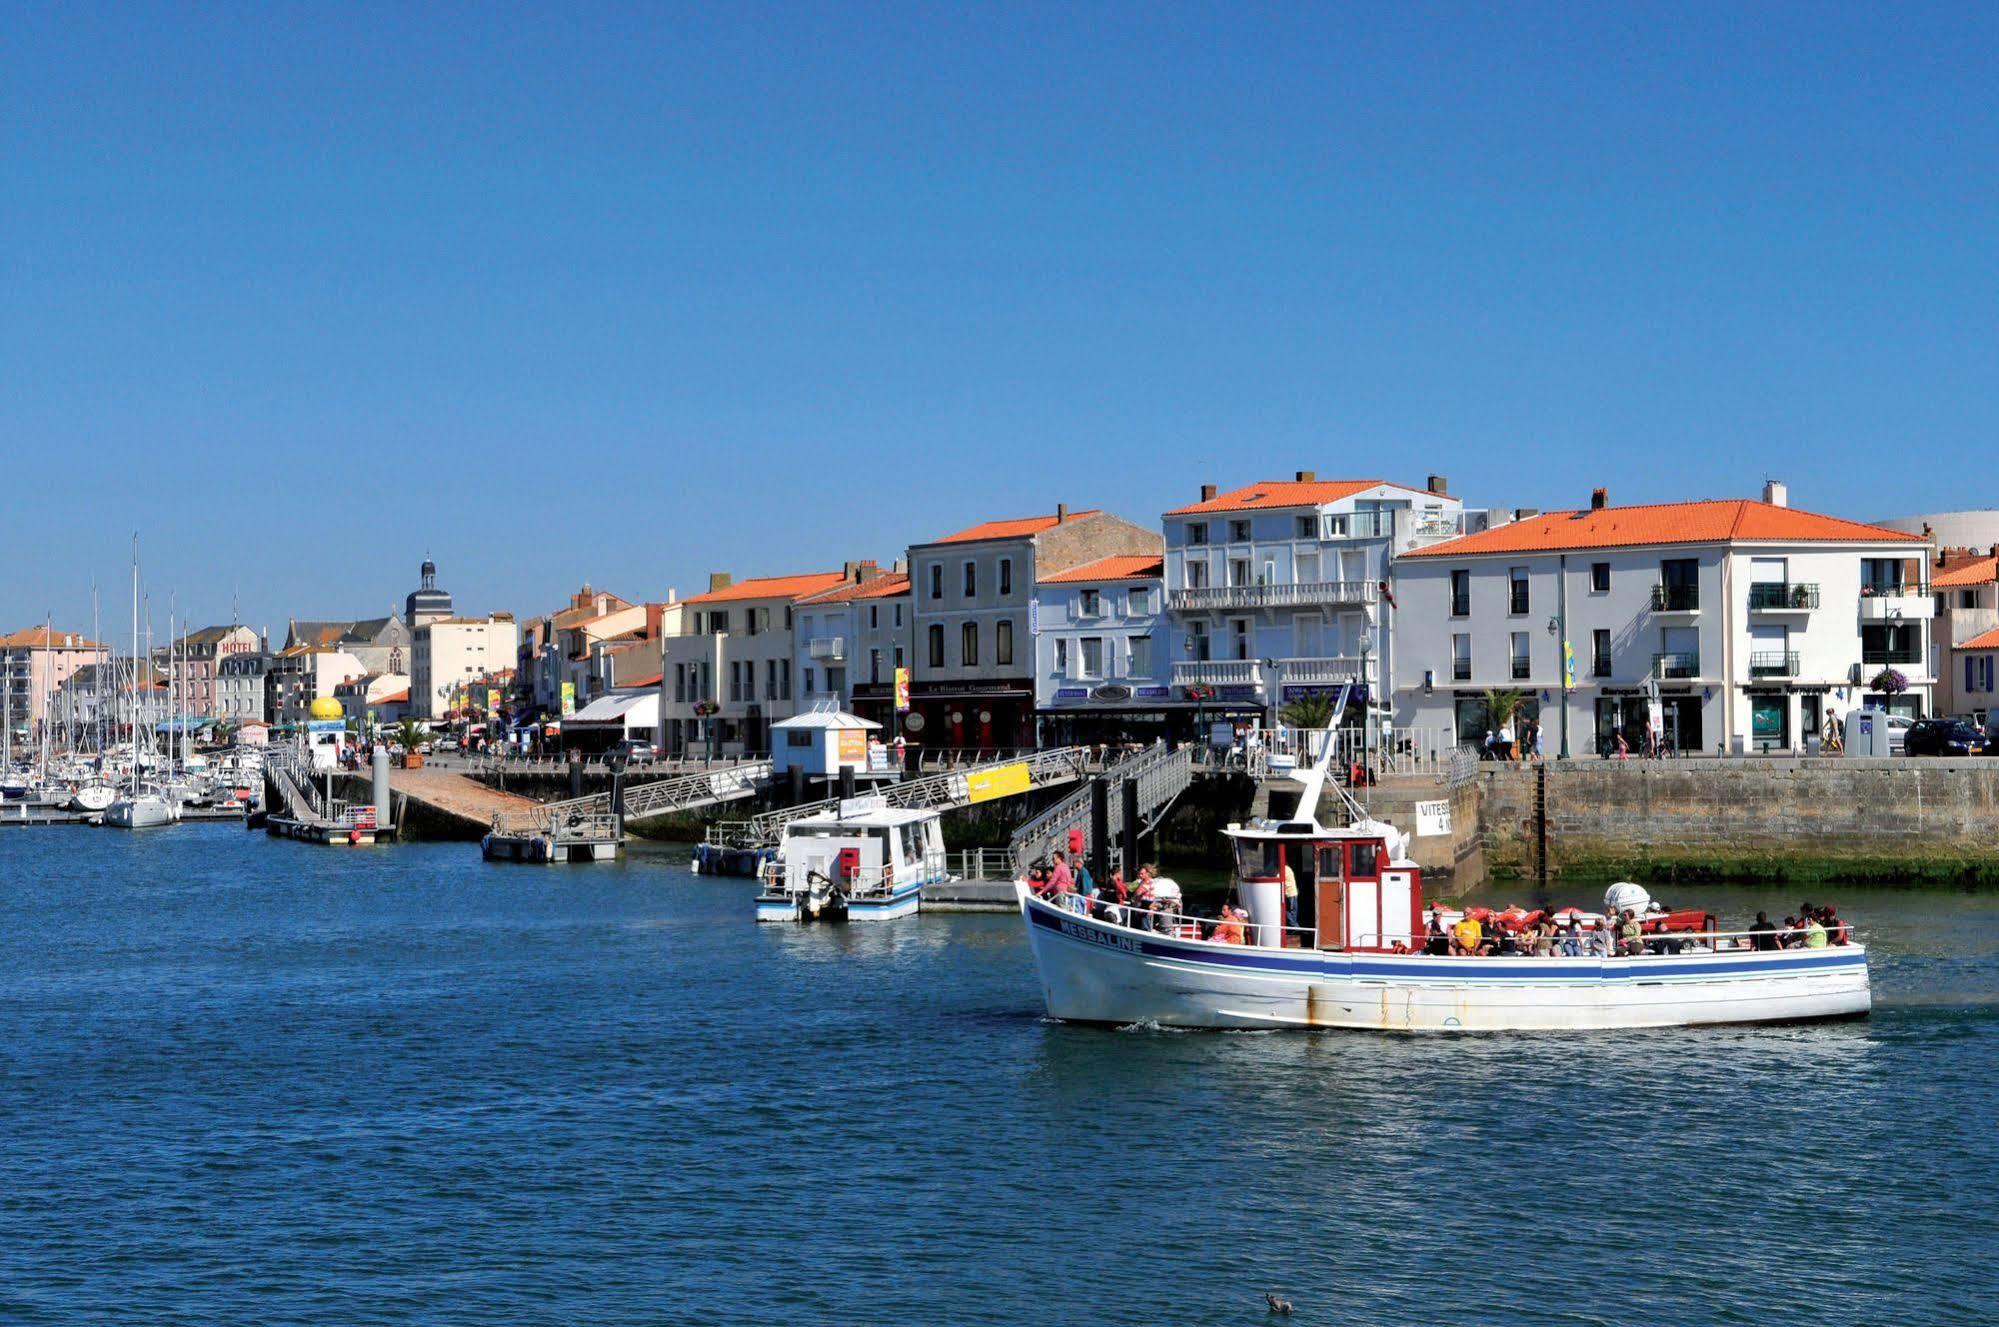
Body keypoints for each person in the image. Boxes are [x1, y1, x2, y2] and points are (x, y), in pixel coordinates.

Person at [1282, 859, 1299, 930]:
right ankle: (1295, 927)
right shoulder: (1289, 869)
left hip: (1289, 893)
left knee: (1288, 911)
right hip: (1294, 893)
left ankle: (1294, 926)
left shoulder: (1284, 869)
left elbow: (1277, 877)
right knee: (1294, 911)